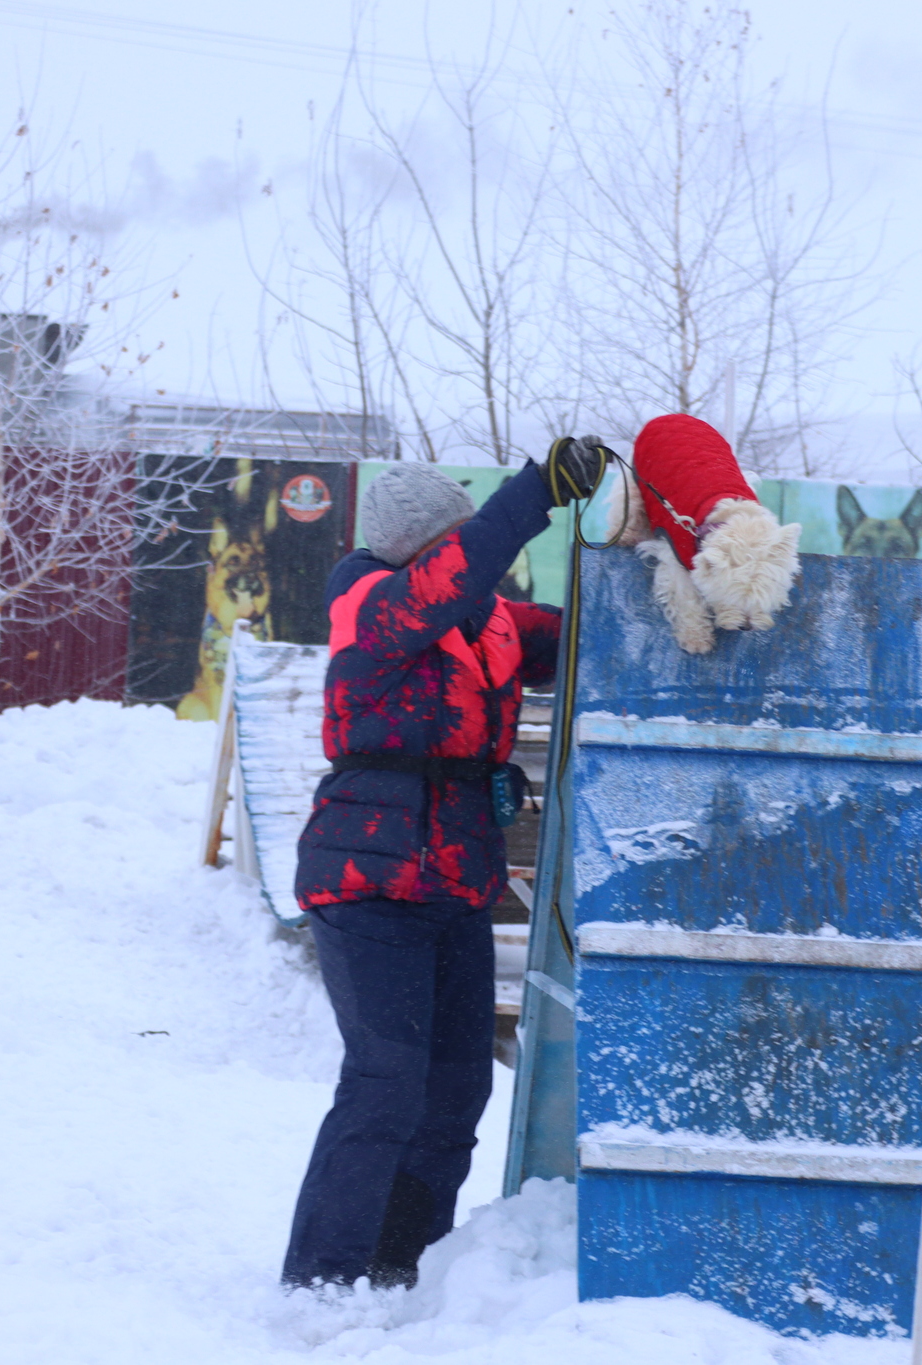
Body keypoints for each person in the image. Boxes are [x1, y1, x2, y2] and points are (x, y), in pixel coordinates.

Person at [281, 438, 606, 1291]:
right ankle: (322, 1277)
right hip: (367, 878)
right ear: (421, 546)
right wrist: (538, 491)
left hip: (456, 881)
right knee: (385, 1081)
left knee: (457, 1090)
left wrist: (658, 580)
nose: (475, 564)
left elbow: (585, 638)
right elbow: (448, 581)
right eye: (454, 542)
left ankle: (401, 1268)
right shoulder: (370, 602)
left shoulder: (486, 618)